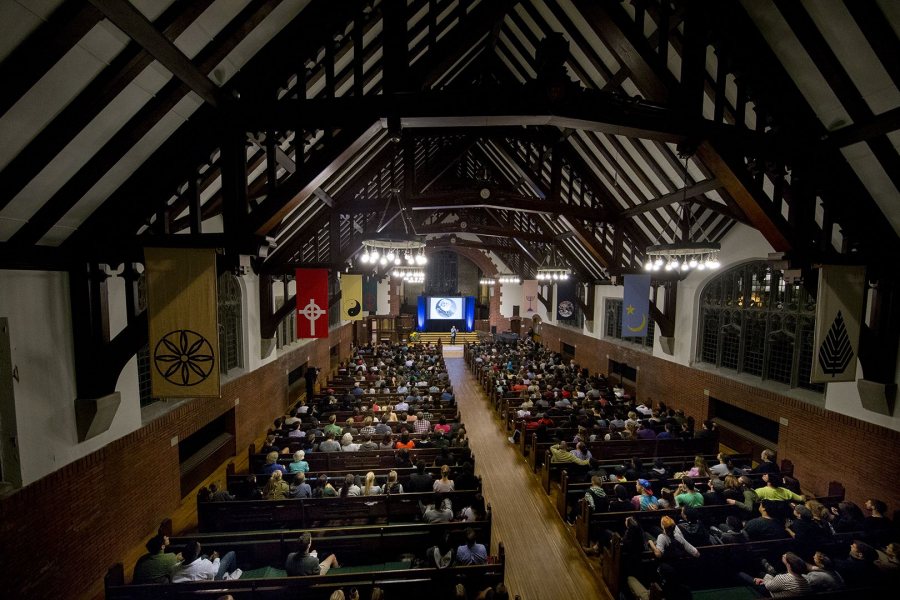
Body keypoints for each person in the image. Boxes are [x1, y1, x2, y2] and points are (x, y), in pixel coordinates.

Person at [741, 552, 810, 598]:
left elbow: (769, 586)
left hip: (769, 593)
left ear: (789, 565)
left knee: (741, 574)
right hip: (777, 587)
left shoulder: (783, 578)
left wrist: (761, 580)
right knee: (761, 573)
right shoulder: (805, 580)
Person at [171, 540, 239, 582]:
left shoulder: (174, 568)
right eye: (199, 547)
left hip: (190, 591)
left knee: (204, 556)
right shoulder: (204, 564)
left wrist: (209, 560)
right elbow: (214, 571)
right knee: (231, 553)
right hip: (214, 581)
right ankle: (231, 577)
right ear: (196, 553)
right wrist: (216, 558)